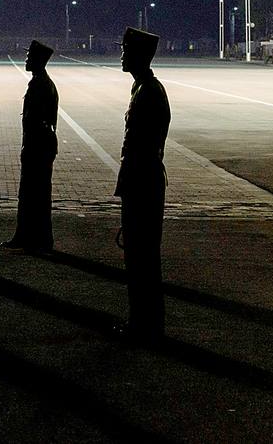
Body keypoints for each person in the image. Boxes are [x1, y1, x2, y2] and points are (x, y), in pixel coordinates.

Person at [114, 27, 170, 340]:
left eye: (125, 49)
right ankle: (143, 321)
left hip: (144, 182)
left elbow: (144, 143)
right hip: (139, 180)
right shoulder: (142, 87)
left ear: (139, 55)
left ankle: (146, 325)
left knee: (143, 257)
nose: (121, 54)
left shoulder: (150, 91)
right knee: (137, 256)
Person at [2, 40, 60, 252]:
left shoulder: (40, 84)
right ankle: (30, 236)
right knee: (33, 193)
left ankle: (35, 239)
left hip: (38, 145)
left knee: (34, 193)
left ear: (38, 60)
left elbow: (37, 119)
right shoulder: (41, 82)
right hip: (39, 143)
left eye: (29, 57)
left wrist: (30, 145)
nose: (26, 59)